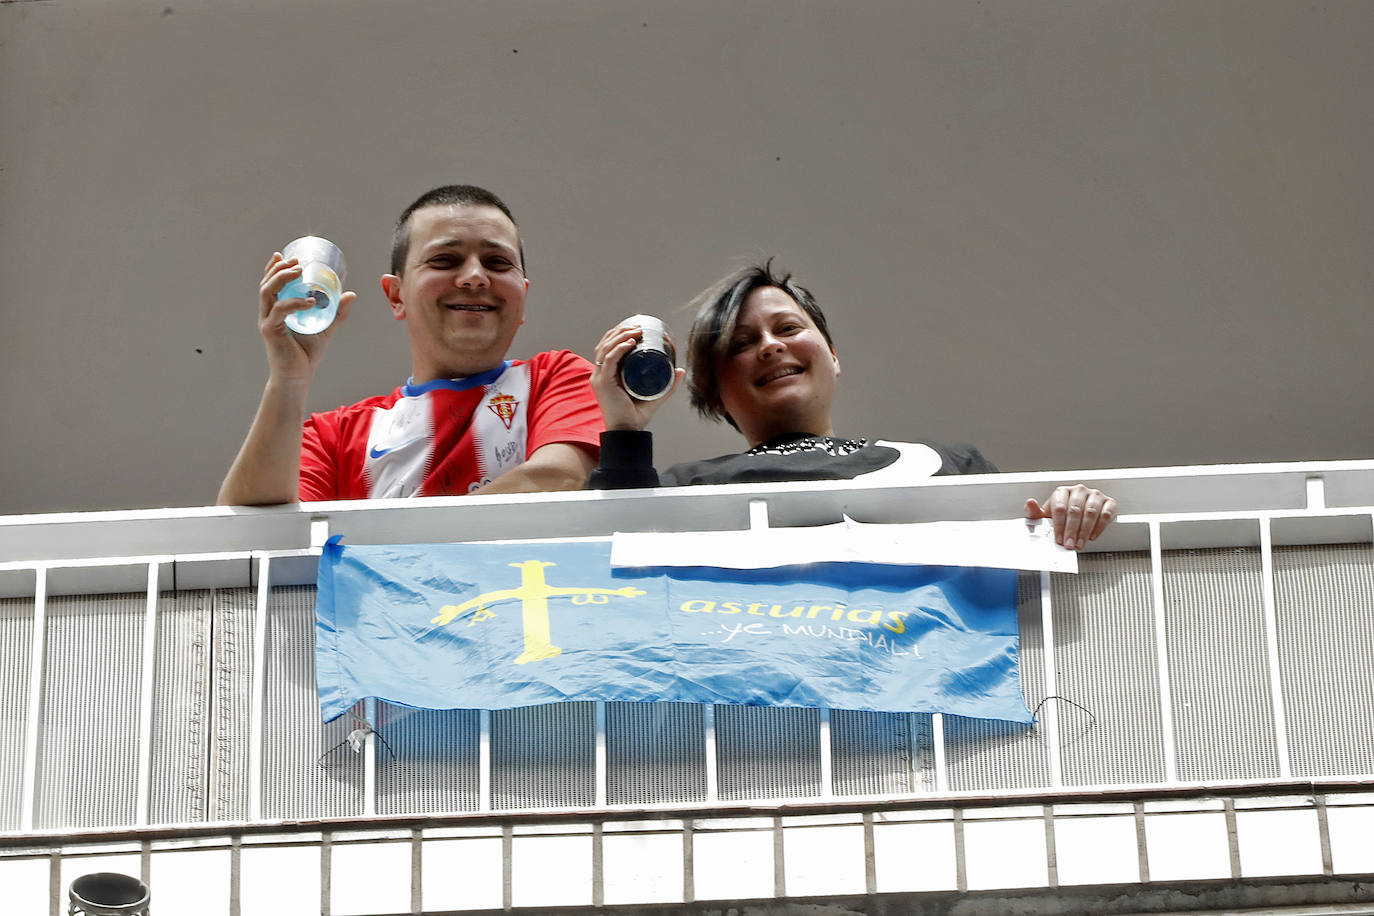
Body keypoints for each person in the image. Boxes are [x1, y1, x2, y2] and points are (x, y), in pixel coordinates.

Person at [588, 262, 1116, 551]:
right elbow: (600, 550)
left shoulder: (945, 464)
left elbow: (1019, 557)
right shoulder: (686, 487)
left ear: (833, 356)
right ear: (714, 394)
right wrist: (625, 428)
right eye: (742, 344)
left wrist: (1068, 511)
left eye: (789, 328)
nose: (771, 346)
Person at [218, 185, 602, 505]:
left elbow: (556, 481)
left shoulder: (558, 378)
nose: (474, 277)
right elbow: (250, 537)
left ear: (523, 295)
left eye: (498, 263)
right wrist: (288, 378)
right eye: (445, 260)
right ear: (396, 295)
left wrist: (377, 548)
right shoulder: (333, 438)